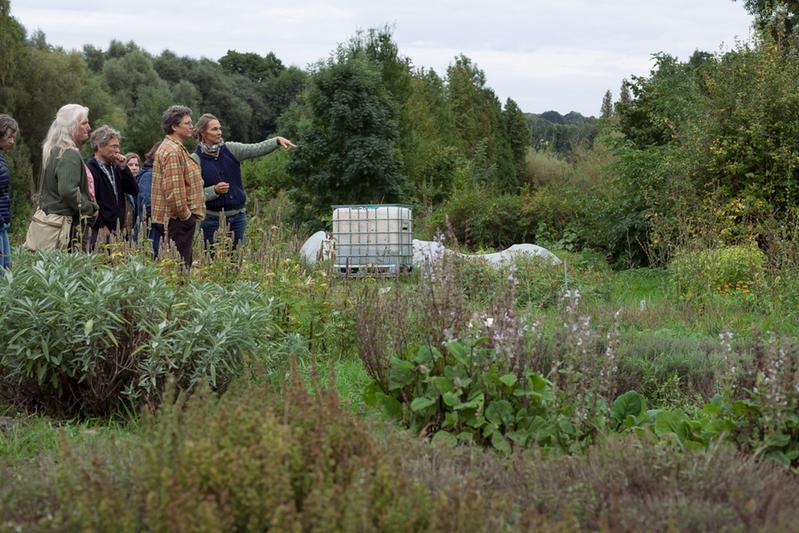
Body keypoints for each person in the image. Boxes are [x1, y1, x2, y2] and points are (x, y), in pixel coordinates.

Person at [191, 113, 295, 250]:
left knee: (236, 261)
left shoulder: (231, 149)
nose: (219, 133)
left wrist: (276, 141)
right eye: (214, 129)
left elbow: (256, 148)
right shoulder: (195, 159)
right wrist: (214, 191)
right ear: (203, 133)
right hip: (211, 221)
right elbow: (194, 195)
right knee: (212, 261)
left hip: (237, 218)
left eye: (219, 128)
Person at [151, 105, 204, 267]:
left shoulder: (173, 147)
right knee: (179, 269)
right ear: (174, 126)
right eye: (187, 123)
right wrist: (187, 216)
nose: (191, 126)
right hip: (177, 221)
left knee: (176, 266)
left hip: (177, 220)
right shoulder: (173, 151)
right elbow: (174, 192)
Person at [39, 104, 98, 247]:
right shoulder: (68, 154)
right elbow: (68, 191)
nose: (89, 128)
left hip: (53, 223)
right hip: (68, 226)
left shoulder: (53, 150)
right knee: (73, 267)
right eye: (84, 123)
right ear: (71, 126)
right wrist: (90, 209)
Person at [85, 126, 138, 249]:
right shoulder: (90, 169)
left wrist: (124, 168)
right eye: (114, 146)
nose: (118, 150)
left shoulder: (115, 166)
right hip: (99, 232)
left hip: (118, 230)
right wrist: (101, 226)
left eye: (118, 146)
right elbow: (89, 201)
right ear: (99, 146)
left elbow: (133, 190)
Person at [135, 141, 164, 256]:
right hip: (151, 231)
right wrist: (164, 226)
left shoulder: (157, 174)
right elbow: (148, 206)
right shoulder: (149, 175)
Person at [0, 114, 19, 273]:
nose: (12, 141)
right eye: (9, 136)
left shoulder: (1, 157)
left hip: (2, 224)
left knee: (6, 272)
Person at [123, 152, 141, 237]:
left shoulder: (141, 184)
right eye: (130, 165)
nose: (134, 168)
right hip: (125, 229)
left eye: (136, 165)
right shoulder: (122, 185)